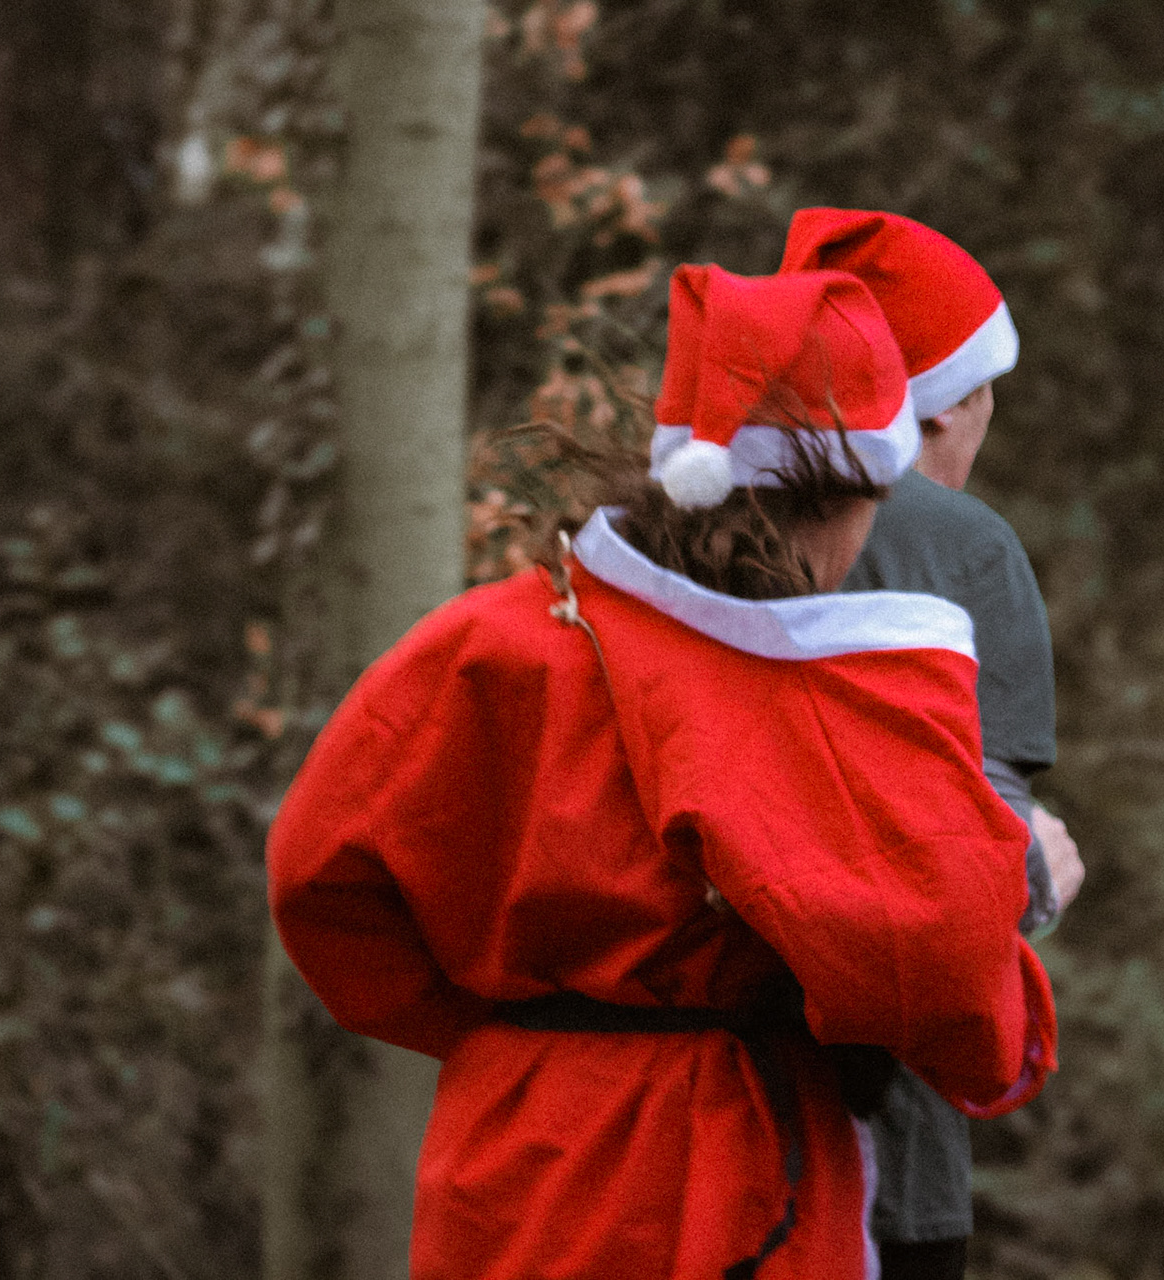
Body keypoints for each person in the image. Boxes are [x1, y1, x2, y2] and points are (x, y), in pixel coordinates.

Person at [267, 264, 1058, 1280]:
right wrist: (1021, 917)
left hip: (511, 1147)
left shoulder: (487, 640)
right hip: (732, 1163)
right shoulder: (827, 702)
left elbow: (319, 872)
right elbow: (939, 975)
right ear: (845, 499)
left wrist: (510, 1033)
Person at [780, 209, 1084, 1280]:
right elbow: (981, 852)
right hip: (880, 1148)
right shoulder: (963, 545)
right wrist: (1035, 873)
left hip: (658, 1141)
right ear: (951, 400)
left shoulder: (658, 520)